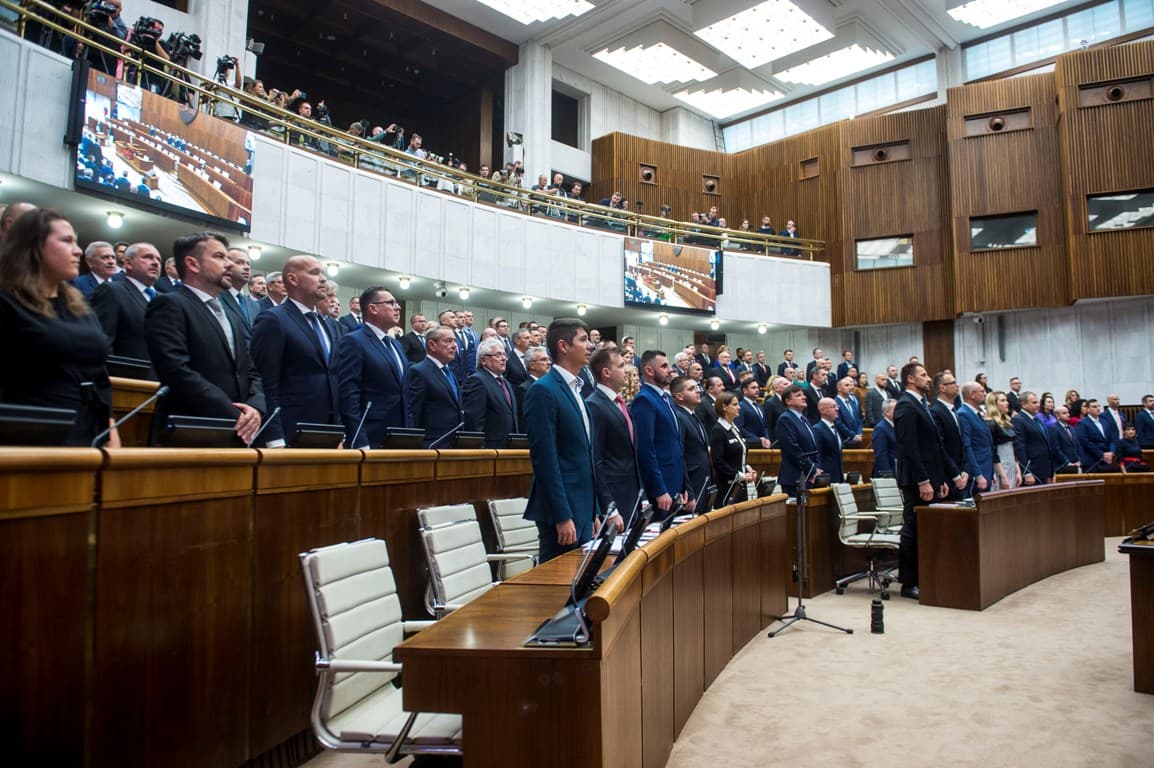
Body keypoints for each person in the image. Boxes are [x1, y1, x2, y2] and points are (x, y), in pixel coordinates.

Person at [0, 208, 116, 446]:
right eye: (67, 241)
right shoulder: (6, 301)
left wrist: (110, 426)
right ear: (33, 246)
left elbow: (99, 376)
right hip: (27, 438)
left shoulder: (78, 306)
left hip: (88, 433)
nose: (78, 250)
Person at [145, 232, 265, 446]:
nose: (228, 264)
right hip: (188, 431)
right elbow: (176, 371)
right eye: (219, 257)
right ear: (192, 263)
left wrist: (255, 407)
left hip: (237, 432)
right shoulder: (169, 304)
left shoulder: (231, 314)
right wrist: (233, 412)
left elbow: (250, 369)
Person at [522, 318, 599, 563]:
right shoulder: (543, 390)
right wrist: (562, 515)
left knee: (582, 587)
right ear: (564, 346)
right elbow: (545, 460)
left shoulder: (578, 390)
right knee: (559, 592)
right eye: (583, 340)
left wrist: (593, 511)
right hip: (562, 511)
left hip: (584, 507)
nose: (590, 346)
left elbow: (584, 456)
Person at [250, 256, 341, 447]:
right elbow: (266, 381)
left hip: (327, 432)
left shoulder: (328, 325)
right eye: (315, 273)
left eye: (322, 273)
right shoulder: (273, 319)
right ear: (292, 279)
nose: (323, 279)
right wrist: (274, 438)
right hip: (290, 433)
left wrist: (340, 432)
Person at [893, 363, 965, 601]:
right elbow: (910, 447)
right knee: (913, 530)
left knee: (927, 529)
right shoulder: (905, 405)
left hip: (930, 477)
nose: (928, 379)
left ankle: (926, 576)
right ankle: (909, 583)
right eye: (923, 375)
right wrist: (924, 480)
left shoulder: (922, 405)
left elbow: (934, 446)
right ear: (911, 380)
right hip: (916, 479)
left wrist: (942, 478)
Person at [334, 286, 407, 448]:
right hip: (371, 436)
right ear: (373, 308)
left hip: (401, 436)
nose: (398, 307)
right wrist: (359, 440)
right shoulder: (354, 341)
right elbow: (349, 394)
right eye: (391, 303)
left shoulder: (396, 345)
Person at [631, 350, 692, 519]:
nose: (670, 370)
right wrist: (659, 489)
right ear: (649, 371)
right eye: (664, 366)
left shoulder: (666, 399)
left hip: (675, 482)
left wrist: (683, 487)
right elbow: (646, 449)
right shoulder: (644, 400)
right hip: (661, 487)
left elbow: (676, 446)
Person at [584, 347, 639, 526]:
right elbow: (596, 460)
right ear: (606, 372)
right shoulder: (594, 404)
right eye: (622, 365)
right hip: (614, 496)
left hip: (632, 493)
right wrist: (609, 507)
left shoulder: (619, 403)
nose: (627, 370)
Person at [90, 242, 162, 376]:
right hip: (128, 382)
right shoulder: (112, 291)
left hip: (162, 385)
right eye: (147, 257)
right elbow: (102, 343)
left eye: (158, 259)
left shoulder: (164, 300)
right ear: (128, 263)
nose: (155, 263)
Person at [404, 325, 464, 448]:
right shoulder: (419, 372)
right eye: (448, 341)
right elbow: (413, 414)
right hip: (431, 445)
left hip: (453, 444)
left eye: (455, 341)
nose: (454, 346)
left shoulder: (449, 372)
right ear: (432, 345)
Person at [462, 338, 518, 448]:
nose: (503, 358)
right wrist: (480, 450)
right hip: (489, 449)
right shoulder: (477, 381)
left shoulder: (505, 382)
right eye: (498, 355)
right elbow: (474, 421)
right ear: (483, 360)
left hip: (509, 448)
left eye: (504, 355)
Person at [671, 376, 711, 507]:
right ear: (679, 396)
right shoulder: (679, 417)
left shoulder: (693, 415)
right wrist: (688, 491)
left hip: (703, 482)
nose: (698, 391)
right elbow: (679, 456)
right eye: (691, 389)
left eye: (697, 387)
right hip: (692, 486)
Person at [710, 391, 756, 506]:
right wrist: (740, 476)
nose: (739, 408)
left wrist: (748, 468)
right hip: (727, 486)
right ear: (724, 407)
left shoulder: (734, 428)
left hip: (740, 484)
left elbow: (739, 455)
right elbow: (718, 461)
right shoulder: (718, 430)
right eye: (735, 405)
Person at [957, 382, 1004, 491]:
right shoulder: (964, 414)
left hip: (986, 468)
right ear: (972, 395)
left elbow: (987, 442)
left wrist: (991, 472)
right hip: (977, 471)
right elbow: (967, 446)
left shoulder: (977, 413)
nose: (985, 394)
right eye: (982, 391)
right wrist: (978, 474)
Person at [775, 384, 819, 497]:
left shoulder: (803, 419)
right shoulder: (785, 419)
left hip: (809, 475)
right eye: (798, 395)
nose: (804, 397)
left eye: (803, 395)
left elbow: (813, 448)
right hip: (795, 477)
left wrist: (815, 469)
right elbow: (792, 449)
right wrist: (812, 468)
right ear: (788, 401)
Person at [1012, 391, 1053, 485]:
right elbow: (1019, 448)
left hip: (1044, 471)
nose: (1038, 405)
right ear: (1023, 404)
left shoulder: (1038, 420)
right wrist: (1026, 472)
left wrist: (1051, 471)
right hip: (1032, 471)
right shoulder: (1018, 420)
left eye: (1038, 402)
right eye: (1034, 403)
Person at [1074, 398, 1121, 473]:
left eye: (1099, 406)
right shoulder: (1082, 423)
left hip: (1109, 459)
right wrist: (1102, 454)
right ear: (1088, 409)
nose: (1098, 408)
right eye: (1094, 407)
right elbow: (1085, 442)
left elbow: (1113, 438)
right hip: (1092, 460)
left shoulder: (1106, 421)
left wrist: (1111, 452)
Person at [986, 391, 1020, 489]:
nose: (1007, 403)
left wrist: (1017, 470)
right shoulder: (991, 424)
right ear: (994, 404)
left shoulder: (1007, 422)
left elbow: (1013, 449)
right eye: (1003, 400)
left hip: (1011, 463)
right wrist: (1002, 475)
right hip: (1000, 466)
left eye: (1006, 400)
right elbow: (994, 452)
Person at [813, 397, 844, 484]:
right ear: (823, 410)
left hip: (838, 476)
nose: (837, 409)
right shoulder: (817, 429)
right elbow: (817, 454)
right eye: (833, 407)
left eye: (837, 406)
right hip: (826, 478)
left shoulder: (835, 427)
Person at [1047, 405, 1081, 475]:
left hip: (1076, 464)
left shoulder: (1072, 428)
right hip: (1062, 466)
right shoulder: (1053, 428)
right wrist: (1068, 462)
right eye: (1064, 413)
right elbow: (1056, 449)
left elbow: (1077, 446)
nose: (1068, 415)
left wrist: (1078, 460)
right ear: (1057, 416)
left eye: (1068, 412)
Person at [871, 399, 898, 477]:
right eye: (896, 409)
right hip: (888, 473)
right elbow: (880, 454)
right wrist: (888, 474)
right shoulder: (880, 428)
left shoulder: (896, 426)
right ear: (887, 412)